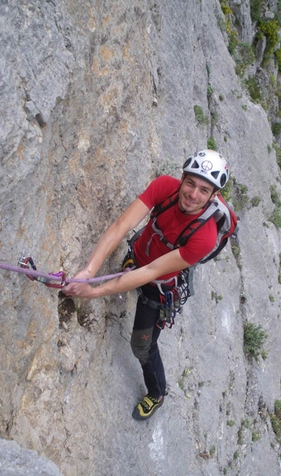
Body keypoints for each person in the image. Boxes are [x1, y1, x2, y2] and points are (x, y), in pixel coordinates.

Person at [62, 149, 229, 420]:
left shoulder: (205, 236)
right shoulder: (164, 186)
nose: (193, 194)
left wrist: (93, 291)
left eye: (203, 190)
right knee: (132, 267)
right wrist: (89, 270)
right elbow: (120, 226)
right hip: (139, 253)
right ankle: (127, 269)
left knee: (142, 346)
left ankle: (157, 393)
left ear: (212, 196)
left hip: (158, 286)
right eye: (190, 183)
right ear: (182, 177)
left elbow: (152, 272)